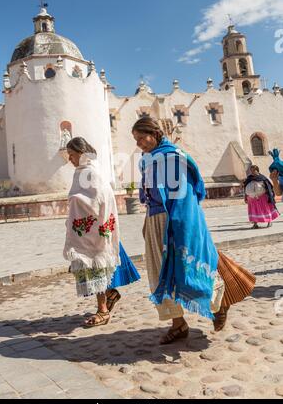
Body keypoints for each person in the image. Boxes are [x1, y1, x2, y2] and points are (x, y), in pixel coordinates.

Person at [132, 117, 256, 344]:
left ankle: (218, 303)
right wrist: (148, 220)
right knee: (159, 274)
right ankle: (178, 324)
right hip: (154, 220)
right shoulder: (146, 160)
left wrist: (180, 223)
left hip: (177, 219)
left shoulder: (173, 157)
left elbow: (184, 195)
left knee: (189, 269)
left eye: (142, 137)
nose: (139, 143)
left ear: (155, 133)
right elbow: (148, 195)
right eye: (136, 140)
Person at [63, 137, 140, 328]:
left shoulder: (90, 172)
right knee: (97, 269)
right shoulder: (83, 172)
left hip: (95, 229)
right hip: (89, 229)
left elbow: (99, 196)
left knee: (96, 265)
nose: (70, 160)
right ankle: (110, 295)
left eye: (72, 155)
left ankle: (103, 311)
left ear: (81, 153)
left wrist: (76, 201)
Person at [244, 165, 280, 229]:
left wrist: (270, 196)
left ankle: (269, 221)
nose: (252, 172)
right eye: (251, 170)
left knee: (265, 209)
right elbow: (245, 188)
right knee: (253, 210)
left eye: (253, 170)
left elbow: (269, 187)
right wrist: (246, 197)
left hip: (262, 198)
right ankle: (255, 224)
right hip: (252, 199)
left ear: (257, 170)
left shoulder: (262, 178)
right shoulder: (249, 178)